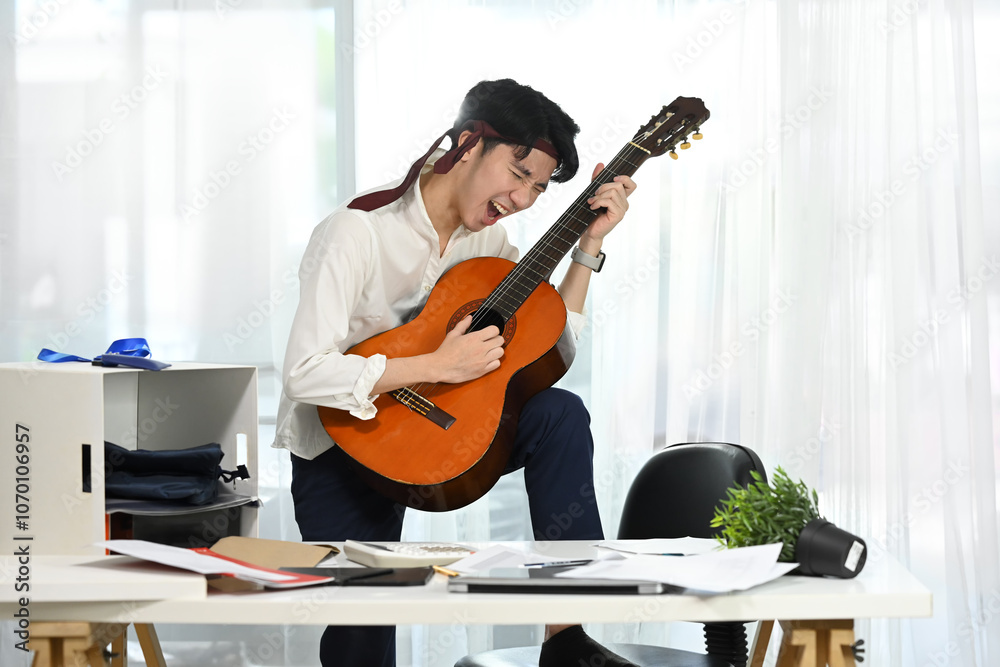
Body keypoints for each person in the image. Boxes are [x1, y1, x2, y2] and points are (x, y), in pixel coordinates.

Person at [273, 78, 638, 667]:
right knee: (364, 630)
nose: (522, 199)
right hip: (344, 443)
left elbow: (544, 338)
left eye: (538, 189)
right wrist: (436, 363)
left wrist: (587, 250)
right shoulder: (355, 231)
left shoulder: (489, 240)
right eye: (518, 175)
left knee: (561, 414)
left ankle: (565, 633)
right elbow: (303, 374)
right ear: (468, 144)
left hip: (446, 430)